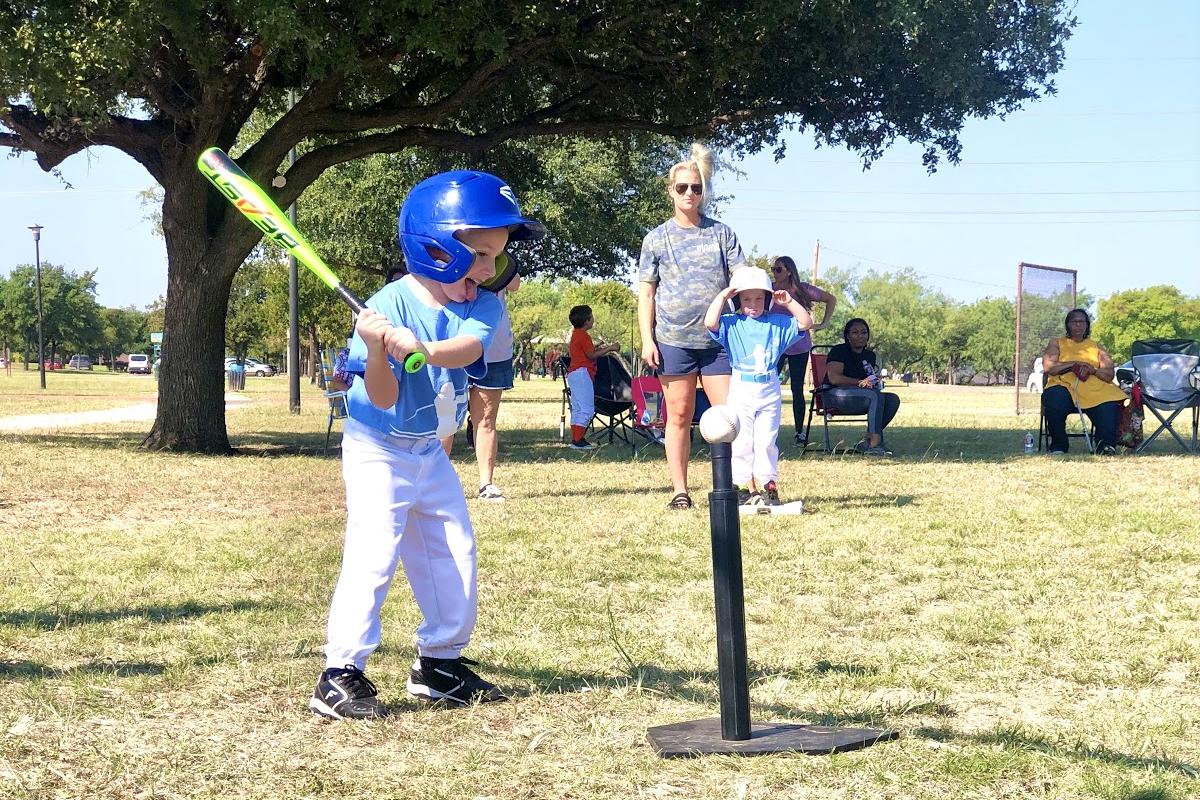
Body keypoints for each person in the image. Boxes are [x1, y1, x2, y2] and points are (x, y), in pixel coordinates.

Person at [309, 169, 544, 720]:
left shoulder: (481, 303)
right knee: (373, 554)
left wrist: (425, 350)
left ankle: (439, 663)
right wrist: (378, 348)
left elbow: (466, 350)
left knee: (453, 550)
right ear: (435, 248)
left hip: (429, 451)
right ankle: (340, 672)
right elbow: (384, 398)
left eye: (496, 255)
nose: (490, 269)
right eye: (480, 254)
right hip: (378, 449)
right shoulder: (386, 307)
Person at [638, 143, 746, 510]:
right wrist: (646, 339)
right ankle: (680, 491)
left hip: (718, 341)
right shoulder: (656, 238)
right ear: (670, 190)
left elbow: (741, 278)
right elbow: (647, 295)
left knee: (729, 416)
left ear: (703, 192)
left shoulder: (722, 234)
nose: (689, 194)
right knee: (679, 415)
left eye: (696, 188)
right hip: (673, 340)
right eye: (682, 187)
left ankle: (739, 484)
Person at [705, 267, 812, 505]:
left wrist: (789, 301)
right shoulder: (732, 323)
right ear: (738, 300)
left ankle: (767, 484)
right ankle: (742, 485)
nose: (752, 303)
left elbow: (806, 323)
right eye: (746, 298)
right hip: (742, 386)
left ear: (768, 298)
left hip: (769, 386)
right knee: (742, 439)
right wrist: (722, 296)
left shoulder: (779, 322)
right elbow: (710, 322)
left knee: (766, 439)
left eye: (758, 298)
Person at [443, 271, 521, 501]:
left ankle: (486, 484)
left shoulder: (500, 257)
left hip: (495, 350)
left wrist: (499, 255)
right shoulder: (454, 252)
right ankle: (435, 481)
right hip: (452, 344)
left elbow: (515, 284)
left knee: (486, 419)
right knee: (445, 418)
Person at [769, 255, 838, 445]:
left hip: (799, 345)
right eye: (773, 269)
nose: (775, 273)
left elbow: (830, 299)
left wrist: (824, 323)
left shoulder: (802, 289)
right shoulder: (769, 289)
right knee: (768, 385)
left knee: (796, 388)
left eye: (779, 269)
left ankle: (800, 432)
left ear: (789, 271)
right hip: (775, 345)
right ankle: (768, 429)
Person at [1041, 308, 1126, 455]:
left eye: (1082, 322)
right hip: (1064, 385)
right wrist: (1074, 364)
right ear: (1068, 324)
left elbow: (1109, 374)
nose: (1078, 325)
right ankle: (1059, 445)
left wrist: (1093, 369)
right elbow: (1049, 367)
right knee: (1054, 397)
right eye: (1074, 322)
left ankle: (1105, 446)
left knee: (1109, 402)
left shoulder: (1096, 346)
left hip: (1093, 389)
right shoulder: (1057, 343)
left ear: (1087, 325)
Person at [819, 318, 901, 455]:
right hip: (833, 394)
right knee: (875, 396)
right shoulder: (839, 351)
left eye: (864, 332)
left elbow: (867, 378)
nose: (860, 336)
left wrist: (874, 380)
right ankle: (875, 443)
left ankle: (867, 442)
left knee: (892, 399)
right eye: (855, 332)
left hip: (860, 395)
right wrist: (860, 382)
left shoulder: (870, 356)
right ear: (847, 336)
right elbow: (834, 378)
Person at [565, 304, 620, 450]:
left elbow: (587, 352)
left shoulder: (576, 334)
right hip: (582, 373)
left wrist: (598, 347)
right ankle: (578, 440)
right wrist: (610, 348)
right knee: (587, 409)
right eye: (592, 317)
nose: (593, 319)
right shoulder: (583, 335)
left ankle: (577, 438)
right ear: (587, 320)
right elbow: (591, 356)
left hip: (574, 373)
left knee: (577, 408)